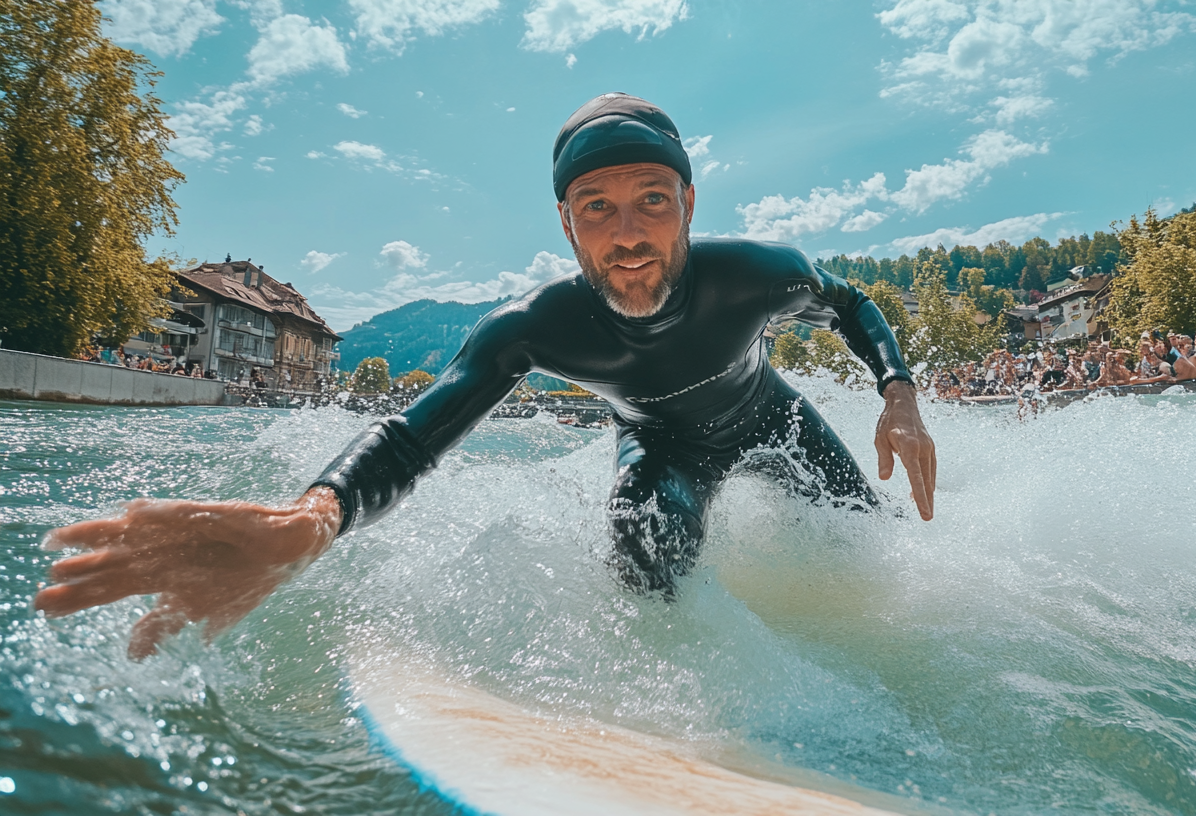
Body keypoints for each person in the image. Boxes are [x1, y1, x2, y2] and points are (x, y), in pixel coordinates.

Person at [34, 93, 937, 660]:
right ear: (566, 224)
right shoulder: (535, 327)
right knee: (639, 552)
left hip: (771, 419)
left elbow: (853, 305)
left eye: (652, 201)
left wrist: (899, 395)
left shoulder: (758, 273)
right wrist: (310, 521)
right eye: (599, 208)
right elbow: (411, 434)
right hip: (661, 446)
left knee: (874, 553)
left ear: (688, 207)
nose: (628, 232)